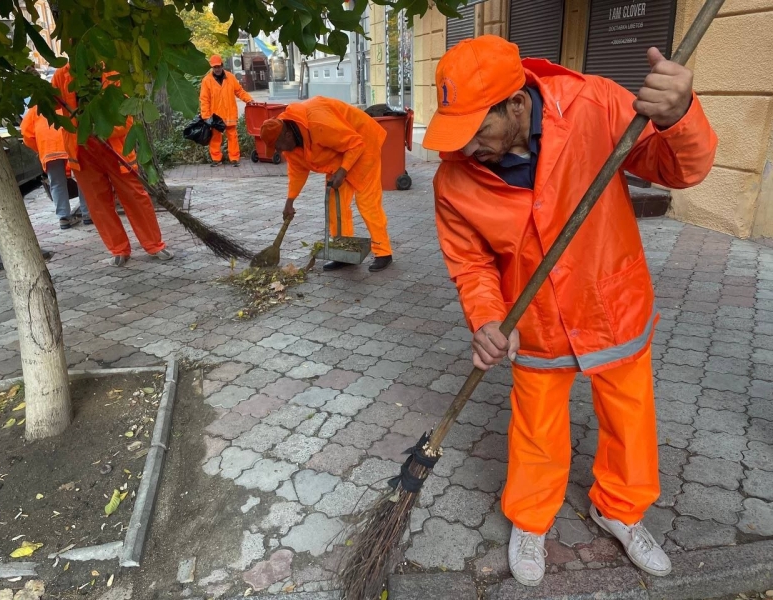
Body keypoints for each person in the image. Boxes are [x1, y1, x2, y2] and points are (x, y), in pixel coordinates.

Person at [424, 36, 716, 586]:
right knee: (536, 427)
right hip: (532, 322)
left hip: (613, 304)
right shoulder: (454, 180)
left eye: (475, 129)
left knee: (630, 422)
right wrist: (486, 319)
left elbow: (678, 170)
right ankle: (531, 519)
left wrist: (680, 116)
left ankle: (621, 511)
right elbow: (471, 265)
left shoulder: (594, 105)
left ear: (515, 104)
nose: (465, 148)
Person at [51, 64, 173, 267]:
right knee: (98, 203)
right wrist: (41, 90)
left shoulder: (115, 72)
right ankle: (118, 249)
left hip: (115, 148)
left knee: (135, 197)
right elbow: (55, 104)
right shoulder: (62, 75)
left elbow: (128, 114)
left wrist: (104, 129)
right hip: (81, 149)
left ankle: (154, 245)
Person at [259, 97, 394, 272]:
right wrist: (290, 201)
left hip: (362, 144)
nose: (279, 151)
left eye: (277, 146)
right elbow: (297, 171)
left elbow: (355, 143)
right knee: (334, 205)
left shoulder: (318, 123)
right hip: (338, 156)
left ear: (287, 134)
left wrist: (343, 170)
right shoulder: (291, 145)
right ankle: (343, 254)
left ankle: (383, 252)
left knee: (367, 203)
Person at [21, 104, 91, 230]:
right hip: (71, 145)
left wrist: (40, 149)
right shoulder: (68, 102)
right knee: (82, 178)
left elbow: (26, 134)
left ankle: (64, 217)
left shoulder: (36, 108)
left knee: (57, 183)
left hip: (49, 148)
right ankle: (88, 214)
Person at [200, 55, 253, 167]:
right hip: (216, 115)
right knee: (215, 138)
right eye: (214, 67)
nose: (217, 69)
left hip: (229, 113)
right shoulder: (206, 81)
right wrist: (206, 116)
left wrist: (249, 100)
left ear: (222, 65)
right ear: (212, 68)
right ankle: (216, 159)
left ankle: (234, 159)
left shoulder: (231, 77)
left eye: (218, 66)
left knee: (232, 136)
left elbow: (239, 91)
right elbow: (204, 99)